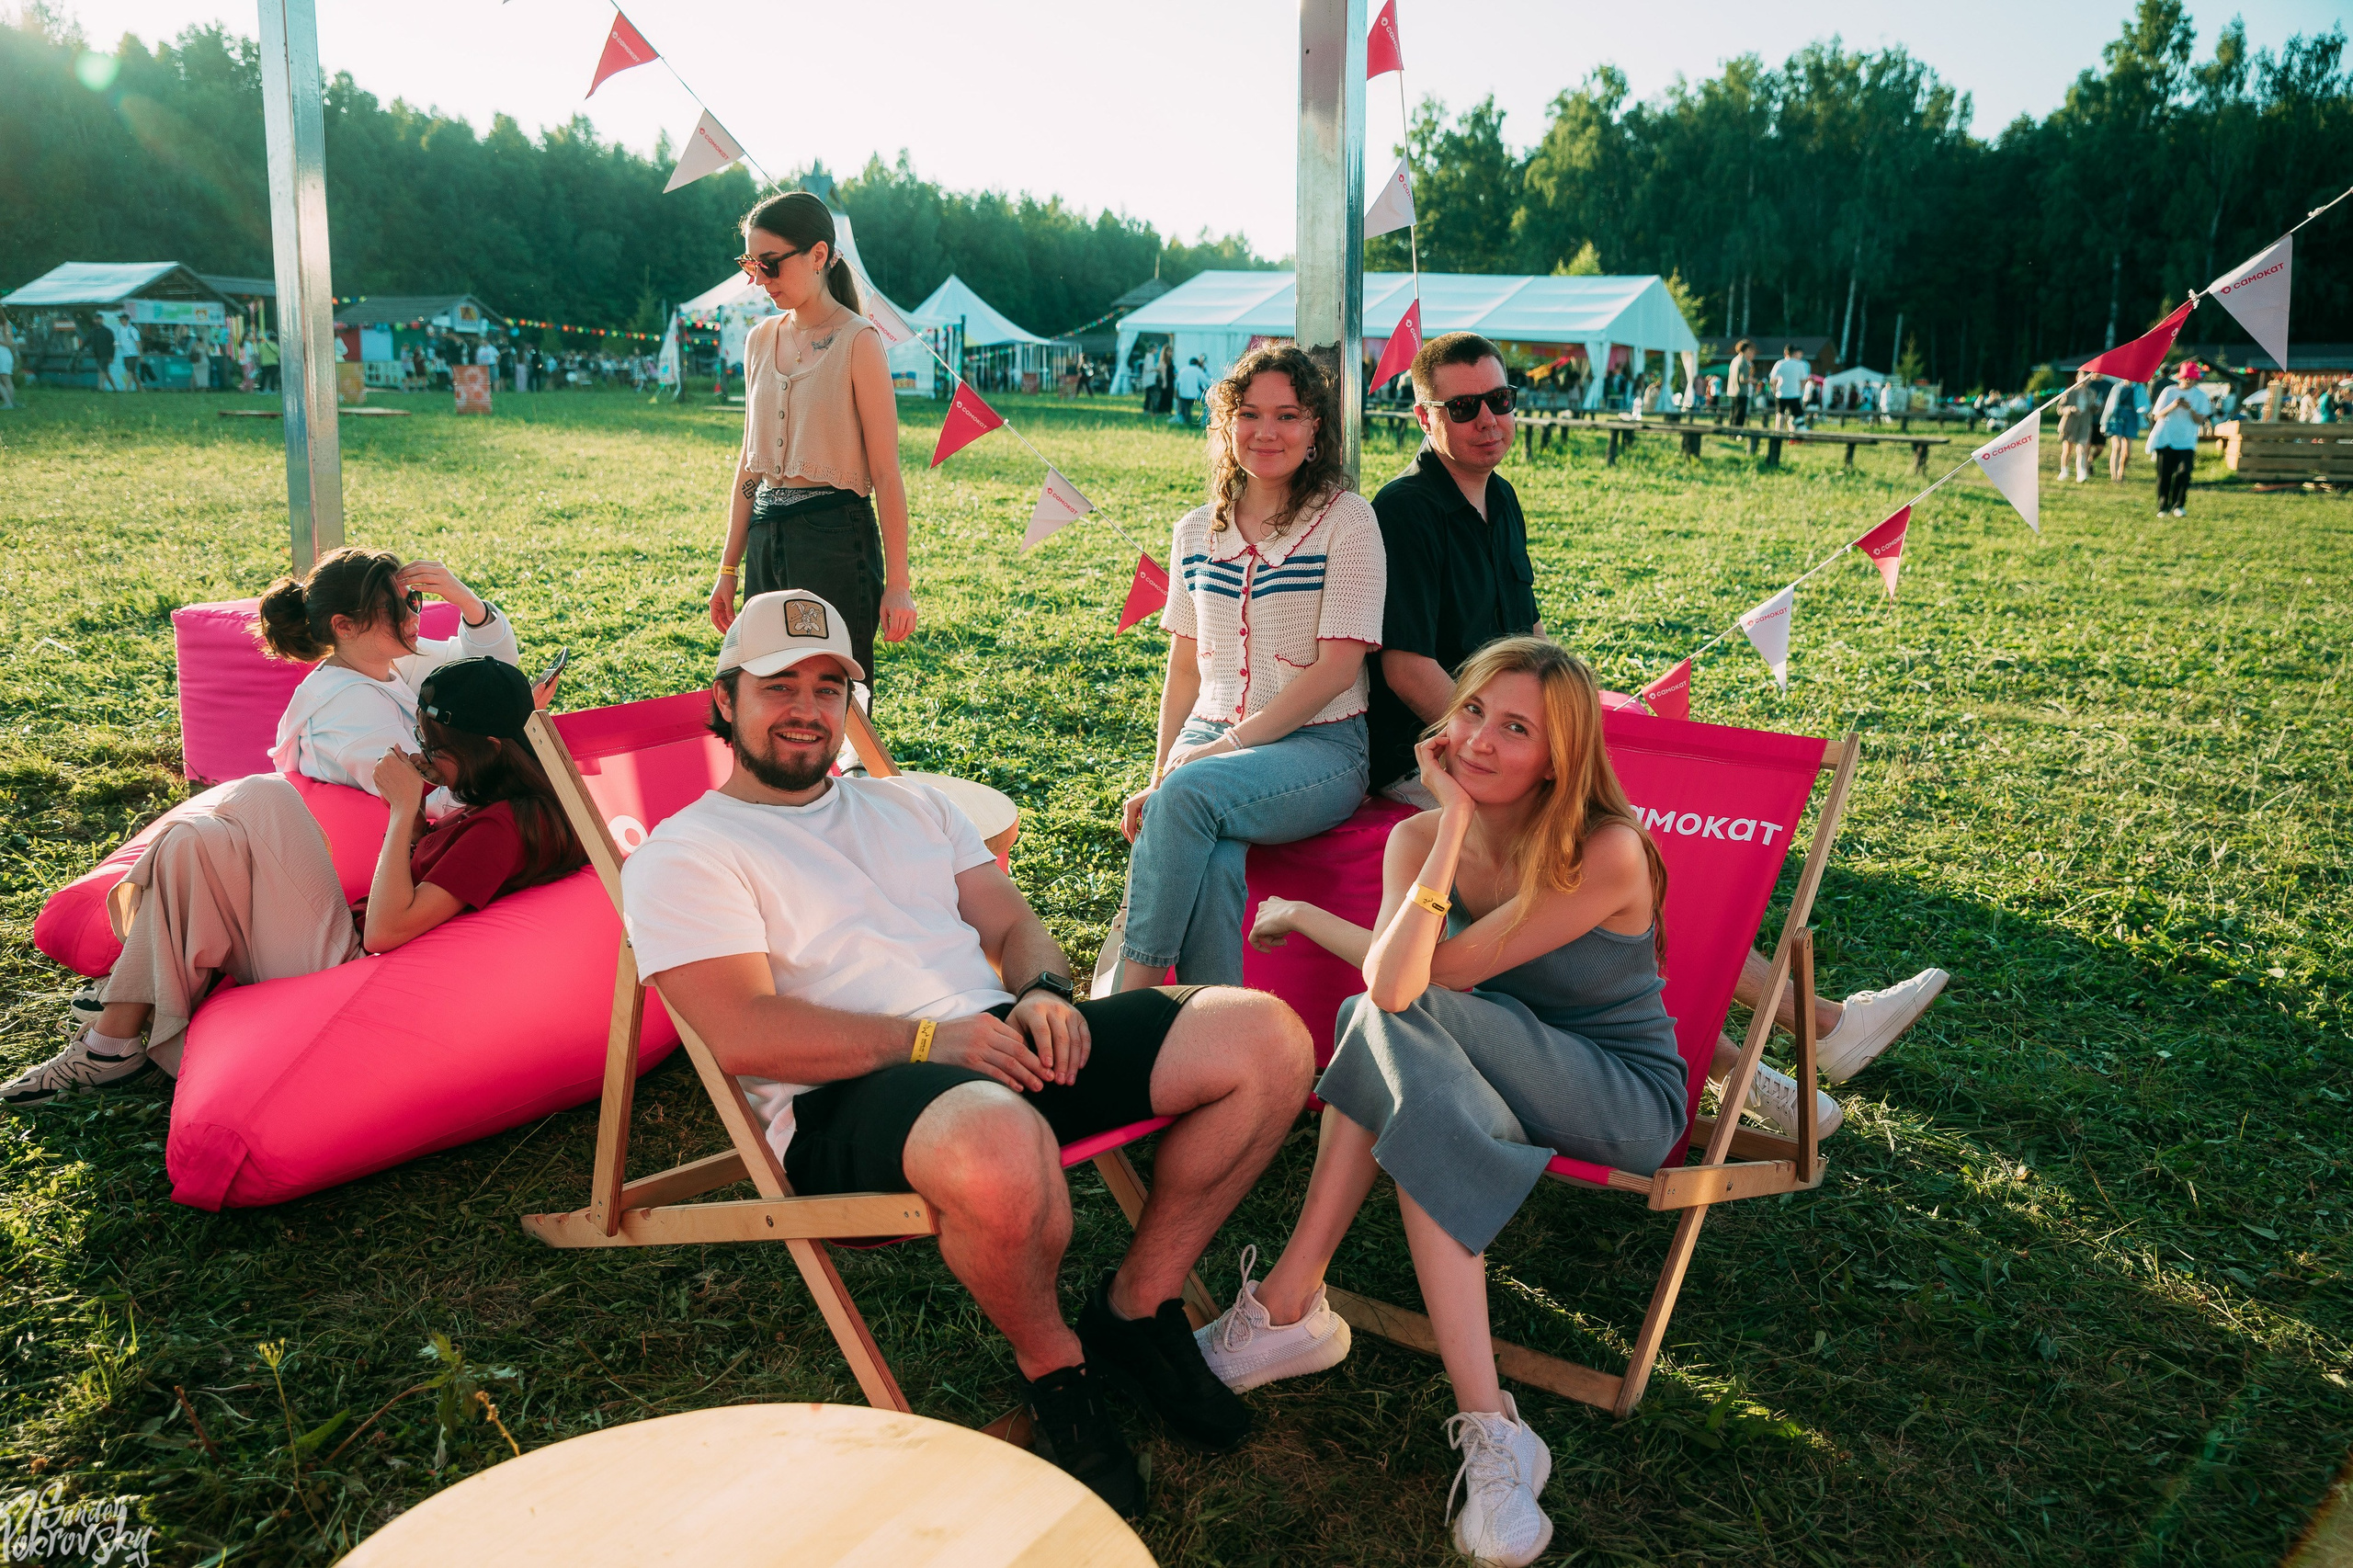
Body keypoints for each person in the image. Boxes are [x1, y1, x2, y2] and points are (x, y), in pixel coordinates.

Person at [621, 588, 1313, 1512]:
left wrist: (1042, 992)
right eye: (777, 685)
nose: (805, 708)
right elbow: (743, 1031)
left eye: (829, 687)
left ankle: (1136, 1310)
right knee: (996, 1137)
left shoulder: (912, 803)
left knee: (1263, 1036)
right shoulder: (687, 852)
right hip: (852, 1093)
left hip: (995, 1037)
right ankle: (1054, 1367)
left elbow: (1014, 921)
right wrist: (927, 1038)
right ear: (723, 699)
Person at [1370, 335, 1940, 1132]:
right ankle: (1798, 1041)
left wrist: (1574, 715)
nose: (1489, 420)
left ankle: (1788, 1047)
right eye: (1463, 408)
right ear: (1426, 417)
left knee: (1645, 871)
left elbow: (1530, 639)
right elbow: (1405, 666)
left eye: (1500, 400)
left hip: (1510, 749)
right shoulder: (1403, 510)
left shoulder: (1501, 501)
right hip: (1438, 760)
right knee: (1612, 879)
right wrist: (1492, 752)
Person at [1209, 639, 1684, 1565]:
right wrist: (1449, 827)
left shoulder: (1606, 849)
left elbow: (1430, 979)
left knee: (1379, 1016)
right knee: (1392, 1038)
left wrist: (1444, 824)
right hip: (1480, 1068)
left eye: (1516, 729)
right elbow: (1397, 983)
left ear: (1559, 756)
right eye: (1472, 711)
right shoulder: (1419, 838)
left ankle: (1288, 1306)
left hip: (1615, 1093)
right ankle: (1489, 1421)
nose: (1479, 740)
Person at [4, 659, 586, 1108]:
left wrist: (404, 809)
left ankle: (127, 991)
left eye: (437, 750)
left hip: (351, 969)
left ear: (489, 747)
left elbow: (387, 931)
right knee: (193, 843)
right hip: (346, 949)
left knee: (266, 795)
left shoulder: (502, 828)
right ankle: (113, 1041)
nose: (424, 757)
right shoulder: (500, 800)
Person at [1115, 343, 1384, 991]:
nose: (1267, 432)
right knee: (1204, 846)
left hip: (1320, 744)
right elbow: (1184, 670)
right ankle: (1221, 1026)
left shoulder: (1347, 521)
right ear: (1227, 424)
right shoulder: (1194, 533)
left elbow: (1337, 668)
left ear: (1316, 427)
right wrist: (1166, 772)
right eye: (1251, 414)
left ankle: (1133, 999)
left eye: (1288, 415)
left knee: (1189, 799)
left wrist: (1214, 758)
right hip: (1209, 735)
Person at [709, 191, 917, 712]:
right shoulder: (759, 340)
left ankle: (849, 790)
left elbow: (887, 474)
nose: (759, 279)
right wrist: (729, 567)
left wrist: (899, 586)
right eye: (750, 265)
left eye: (770, 264)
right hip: (764, 536)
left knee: (837, 694)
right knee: (766, 685)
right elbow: (749, 466)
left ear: (819, 255)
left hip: (834, 540)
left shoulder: (858, 341)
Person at [262, 546, 549, 817]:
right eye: (396, 610)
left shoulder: (383, 662)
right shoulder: (349, 712)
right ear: (344, 626)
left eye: (412, 601)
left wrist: (465, 599)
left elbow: (490, 668)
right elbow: (437, 801)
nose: (412, 616)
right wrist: (517, 730)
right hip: (378, 861)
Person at [2148, 362, 2212, 518]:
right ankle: (2162, 506)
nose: (2189, 381)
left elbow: (2199, 420)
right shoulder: (2169, 391)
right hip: (2166, 438)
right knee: (2164, 474)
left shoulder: (2200, 396)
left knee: (2184, 472)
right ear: (2180, 377)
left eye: (2192, 378)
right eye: (2186, 378)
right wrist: (2174, 405)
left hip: (2187, 440)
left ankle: (2179, 504)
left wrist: (2189, 408)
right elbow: (2156, 415)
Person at [2101, 375, 2148, 481]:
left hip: (2131, 417)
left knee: (2126, 451)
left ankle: (2121, 472)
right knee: (2117, 447)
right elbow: (2109, 406)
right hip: (2116, 417)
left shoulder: (2139, 388)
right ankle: (2114, 477)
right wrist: (2104, 422)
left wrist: (2143, 414)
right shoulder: (2117, 387)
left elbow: (2144, 404)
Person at [2057, 375, 2100, 483]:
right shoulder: (2069, 392)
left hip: (2085, 423)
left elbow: (2093, 410)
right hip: (2070, 423)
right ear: (2077, 378)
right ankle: (2064, 471)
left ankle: (2081, 473)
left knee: (2082, 449)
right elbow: (2059, 408)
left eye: (2087, 379)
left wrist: (2097, 406)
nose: (2085, 381)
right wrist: (2070, 409)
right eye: (2083, 378)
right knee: (2068, 449)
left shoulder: (2092, 393)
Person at [1768, 344, 1808, 431]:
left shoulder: (1780, 363)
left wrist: (1774, 391)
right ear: (1794, 353)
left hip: (1781, 393)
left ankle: (1778, 431)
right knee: (1796, 415)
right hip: (1794, 394)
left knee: (1780, 414)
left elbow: (1772, 380)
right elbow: (1804, 380)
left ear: (1786, 352)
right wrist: (1800, 389)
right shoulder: (1800, 364)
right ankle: (1793, 432)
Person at [1173, 356, 1211, 427]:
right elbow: (1207, 382)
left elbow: (1177, 384)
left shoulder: (1182, 370)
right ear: (1197, 364)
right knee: (1208, 403)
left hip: (1183, 396)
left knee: (1184, 409)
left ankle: (1181, 419)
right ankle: (1203, 423)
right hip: (1195, 395)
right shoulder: (1197, 370)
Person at [1724, 339, 1754, 426]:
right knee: (1740, 415)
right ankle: (1737, 433)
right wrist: (1752, 380)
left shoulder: (1734, 360)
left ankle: (1730, 431)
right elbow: (1743, 379)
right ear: (1746, 349)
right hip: (1741, 392)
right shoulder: (1743, 361)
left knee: (1733, 413)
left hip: (1732, 390)